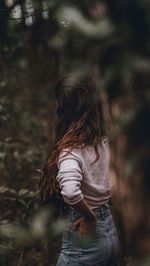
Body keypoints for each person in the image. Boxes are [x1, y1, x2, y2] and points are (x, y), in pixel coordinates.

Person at [39, 75, 121, 266]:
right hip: (109, 232)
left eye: (60, 106)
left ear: (68, 110)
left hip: (86, 237)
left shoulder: (71, 151)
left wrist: (89, 217)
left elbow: (70, 191)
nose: (58, 112)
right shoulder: (104, 142)